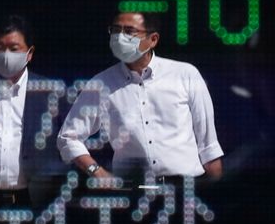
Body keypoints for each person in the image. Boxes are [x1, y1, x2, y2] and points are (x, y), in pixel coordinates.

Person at [57, 12, 223, 182]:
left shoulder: (185, 74)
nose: (120, 37)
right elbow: (68, 137)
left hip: (185, 188)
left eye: (129, 31)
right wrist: (97, 172)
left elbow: (208, 146)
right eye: (115, 30)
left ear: (153, 39)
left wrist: (217, 194)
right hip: (133, 191)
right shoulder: (101, 84)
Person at [0, 16, 67, 224]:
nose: (6, 55)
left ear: (29, 53)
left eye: (14, 48)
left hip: (34, 200)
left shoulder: (51, 93)